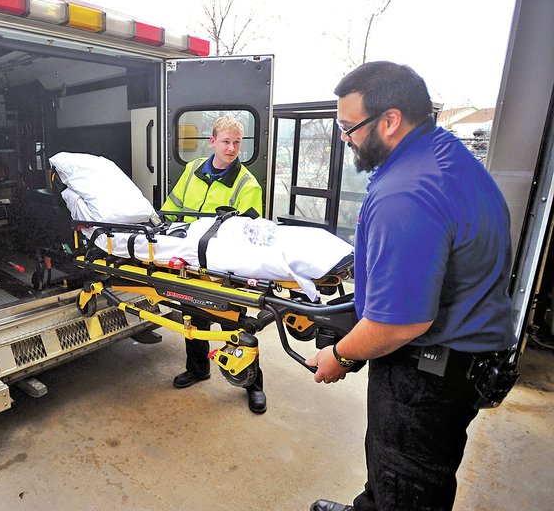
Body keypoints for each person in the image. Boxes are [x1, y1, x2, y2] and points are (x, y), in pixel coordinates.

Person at [307, 61, 515, 511]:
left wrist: (340, 354)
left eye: (349, 126)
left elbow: (400, 324)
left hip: (426, 374)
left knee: (407, 483)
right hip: (461, 362)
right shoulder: (445, 155)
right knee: (398, 469)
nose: (345, 138)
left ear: (390, 120)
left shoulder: (407, 191)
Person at [160, 114, 267, 414]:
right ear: (212, 141)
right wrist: (158, 230)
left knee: (235, 326)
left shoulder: (247, 184)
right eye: (226, 142)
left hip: (223, 268)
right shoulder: (193, 169)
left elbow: (247, 233)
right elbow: (173, 207)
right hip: (189, 259)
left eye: (236, 143)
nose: (232, 148)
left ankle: (253, 385)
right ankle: (197, 369)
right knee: (192, 317)